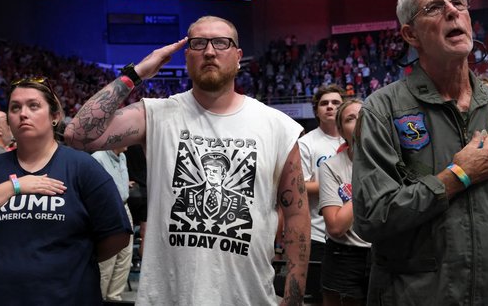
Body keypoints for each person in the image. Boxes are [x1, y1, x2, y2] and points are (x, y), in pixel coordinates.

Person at [64, 15, 311, 305]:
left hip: (248, 296)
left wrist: (294, 295)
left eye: (221, 42)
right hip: (169, 296)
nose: (209, 51)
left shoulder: (278, 126)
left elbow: (295, 213)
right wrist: (137, 72)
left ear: (238, 56)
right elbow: (77, 135)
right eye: (198, 43)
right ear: (186, 54)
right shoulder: (156, 114)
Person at [351, 0, 488, 305]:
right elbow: (373, 217)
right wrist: (456, 177)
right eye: (434, 6)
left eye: (458, 2)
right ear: (410, 34)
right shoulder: (383, 110)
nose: (452, 11)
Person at [0, 77, 132, 305]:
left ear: (55, 116)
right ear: (9, 121)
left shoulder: (82, 166)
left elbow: (118, 235)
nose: (23, 113)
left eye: (34, 106)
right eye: (15, 108)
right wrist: (15, 186)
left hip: (66, 298)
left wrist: (72, 263)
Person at [318, 99, 370, 306]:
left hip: (386, 253)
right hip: (344, 256)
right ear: (341, 130)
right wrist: (367, 176)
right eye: (351, 119)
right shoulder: (331, 167)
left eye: (364, 116)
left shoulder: (395, 160)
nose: (359, 122)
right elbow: (336, 226)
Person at [298, 84, 345, 266]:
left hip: (353, 231)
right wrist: (340, 187)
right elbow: (299, 186)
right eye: (324, 103)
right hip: (318, 232)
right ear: (317, 111)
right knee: (320, 291)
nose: (330, 106)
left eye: (336, 103)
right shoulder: (306, 143)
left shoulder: (353, 140)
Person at [91, 146, 134, 302]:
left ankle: (114, 298)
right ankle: (99, 299)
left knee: (125, 259)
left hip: (124, 206)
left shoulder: (122, 156)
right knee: (107, 262)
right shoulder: (98, 157)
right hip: (108, 209)